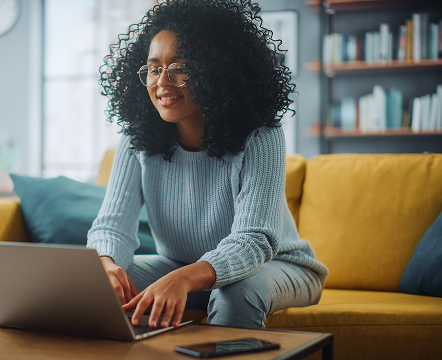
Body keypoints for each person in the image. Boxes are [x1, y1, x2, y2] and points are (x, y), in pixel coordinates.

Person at [87, 0, 329, 330]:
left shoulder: (261, 136)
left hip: (276, 265)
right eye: (154, 68)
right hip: (181, 265)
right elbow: (111, 226)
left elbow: (253, 241)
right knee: (97, 287)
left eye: (180, 67)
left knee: (235, 293)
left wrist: (183, 279)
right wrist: (105, 263)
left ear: (216, 69)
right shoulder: (136, 140)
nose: (161, 82)